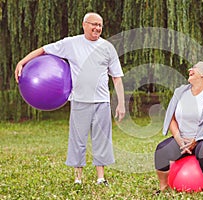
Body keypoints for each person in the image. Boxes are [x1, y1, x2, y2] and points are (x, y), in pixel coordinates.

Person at [15, 12, 125, 185]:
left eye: (100, 25)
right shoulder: (71, 43)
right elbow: (44, 49)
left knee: (101, 140)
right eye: (93, 24)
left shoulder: (108, 47)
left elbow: (117, 77)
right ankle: (78, 179)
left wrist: (121, 104)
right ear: (84, 24)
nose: (97, 28)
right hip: (80, 100)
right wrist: (22, 61)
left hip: (102, 101)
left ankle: (101, 177)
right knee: (77, 140)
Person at [154, 61, 203, 197]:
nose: (190, 70)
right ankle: (163, 187)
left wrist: (197, 139)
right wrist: (179, 140)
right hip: (184, 139)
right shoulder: (180, 92)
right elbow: (171, 119)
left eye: (194, 68)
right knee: (161, 151)